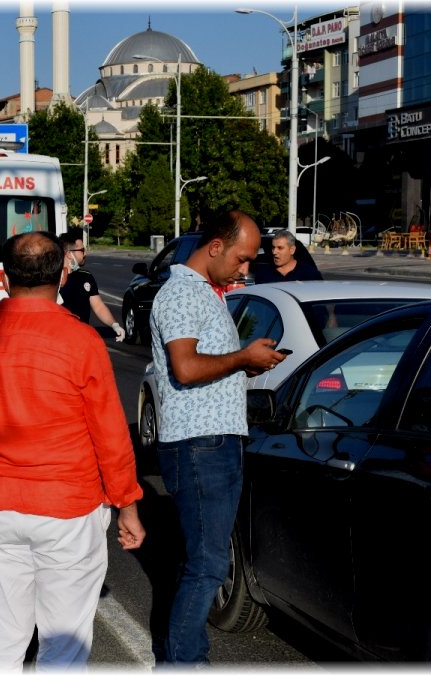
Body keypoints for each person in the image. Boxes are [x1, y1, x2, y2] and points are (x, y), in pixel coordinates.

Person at [0, 231, 146, 669]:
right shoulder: (81, 341)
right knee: (63, 642)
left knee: (3, 634)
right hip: (69, 509)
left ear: (4, 278)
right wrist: (127, 503)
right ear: (63, 274)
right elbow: (110, 435)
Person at [148, 210, 286, 665]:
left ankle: (182, 656)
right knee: (208, 565)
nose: (245, 269)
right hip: (199, 444)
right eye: (241, 258)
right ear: (214, 247)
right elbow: (186, 369)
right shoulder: (182, 294)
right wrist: (242, 358)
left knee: (200, 561)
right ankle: (184, 662)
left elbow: (203, 365)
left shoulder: (205, 292)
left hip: (211, 441)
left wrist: (242, 365)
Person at [57, 229, 125, 341]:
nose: (85, 254)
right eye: (82, 250)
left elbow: (98, 306)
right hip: (60, 338)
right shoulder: (53, 278)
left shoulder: (85, 276)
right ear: (69, 254)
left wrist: (114, 324)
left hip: (82, 338)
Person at [251, 229, 323, 283]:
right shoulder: (263, 275)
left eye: (280, 248)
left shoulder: (310, 275)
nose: (274, 252)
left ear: (292, 250)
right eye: (273, 247)